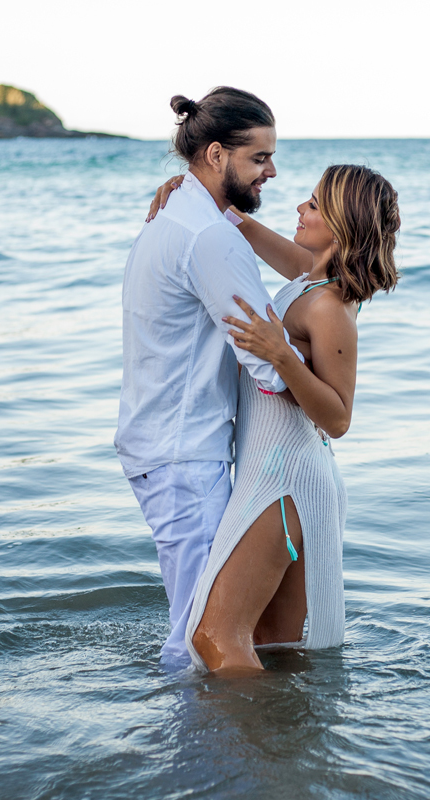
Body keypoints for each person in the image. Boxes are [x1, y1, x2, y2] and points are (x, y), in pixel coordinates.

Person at [149, 164, 401, 673]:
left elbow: (339, 417)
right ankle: (287, 744)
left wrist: (282, 357)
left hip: (284, 480)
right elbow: (237, 226)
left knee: (214, 637)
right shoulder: (310, 277)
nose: (299, 209)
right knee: (273, 643)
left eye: (313, 204)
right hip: (282, 471)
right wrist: (191, 190)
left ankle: (230, 751)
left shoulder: (329, 306)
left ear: (342, 221)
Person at [115, 87, 302, 666]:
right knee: (202, 633)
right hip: (184, 455)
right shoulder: (208, 237)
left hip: (170, 446)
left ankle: (201, 747)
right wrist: (327, 391)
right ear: (216, 155)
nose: (272, 171)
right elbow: (267, 367)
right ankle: (194, 755)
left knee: (203, 623)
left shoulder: (186, 219)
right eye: (259, 158)